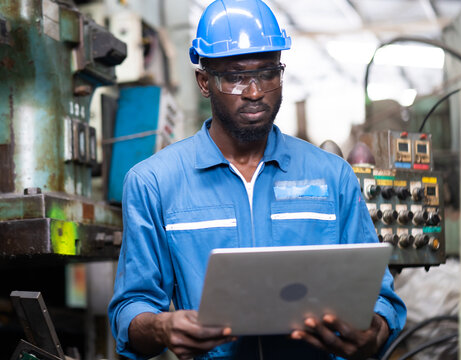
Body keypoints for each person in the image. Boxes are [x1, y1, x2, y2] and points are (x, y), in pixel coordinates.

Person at [108, 0, 406, 359]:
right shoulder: (154, 183)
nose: (254, 92)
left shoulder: (332, 176)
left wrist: (374, 332)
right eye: (234, 77)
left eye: (267, 73)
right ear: (204, 81)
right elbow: (131, 308)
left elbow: (381, 299)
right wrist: (161, 327)